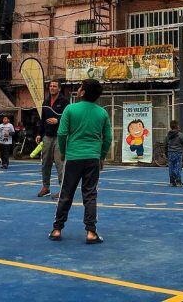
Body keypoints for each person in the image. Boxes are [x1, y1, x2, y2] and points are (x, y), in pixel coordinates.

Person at [48, 78, 112, 244]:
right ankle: (91, 232)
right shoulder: (102, 113)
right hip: (92, 158)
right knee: (90, 194)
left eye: (80, 87)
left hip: (73, 157)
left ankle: (57, 229)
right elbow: (108, 138)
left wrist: (63, 152)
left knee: (66, 193)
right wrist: (102, 156)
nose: (78, 89)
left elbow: (62, 134)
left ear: (82, 92)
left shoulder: (70, 109)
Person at [36, 80, 67, 199]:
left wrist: (58, 120)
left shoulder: (64, 102)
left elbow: (67, 117)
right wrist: (39, 133)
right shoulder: (46, 102)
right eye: (50, 86)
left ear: (59, 89)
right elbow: (42, 119)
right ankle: (46, 187)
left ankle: (63, 189)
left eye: (55, 86)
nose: (52, 88)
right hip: (47, 136)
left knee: (60, 164)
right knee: (45, 163)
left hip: (60, 136)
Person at [165, 120, 183, 187]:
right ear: (177, 126)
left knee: (171, 167)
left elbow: (165, 144)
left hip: (170, 152)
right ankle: (178, 181)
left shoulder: (168, 134)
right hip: (178, 153)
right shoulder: (180, 134)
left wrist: (166, 153)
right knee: (178, 167)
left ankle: (172, 181)